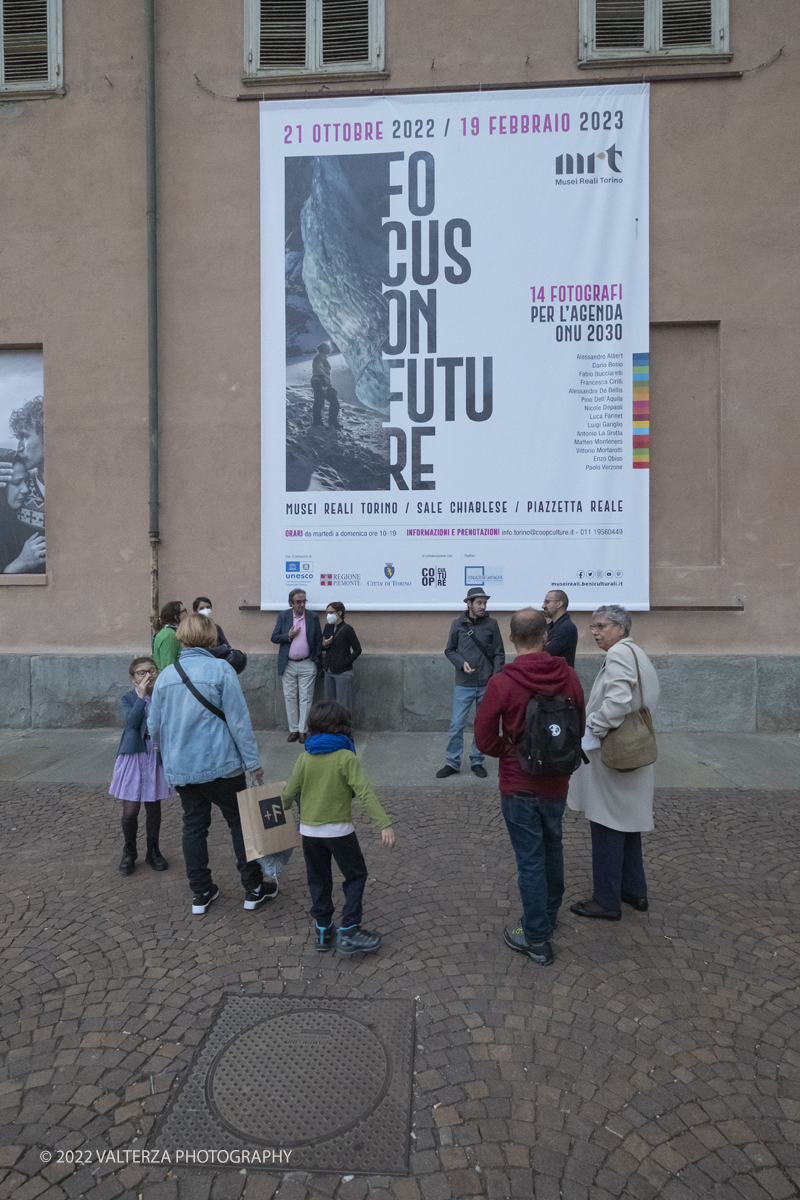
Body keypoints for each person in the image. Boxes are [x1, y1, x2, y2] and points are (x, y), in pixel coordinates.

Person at [475, 607, 585, 967]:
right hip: (558, 781)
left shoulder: (503, 682)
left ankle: (535, 936)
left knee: (530, 859)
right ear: (544, 637)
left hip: (519, 783)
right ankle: (549, 914)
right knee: (553, 847)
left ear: (511, 638)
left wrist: (509, 751)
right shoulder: (569, 677)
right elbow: (578, 724)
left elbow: (484, 738)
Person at [148, 612, 273, 915]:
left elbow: (155, 726)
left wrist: (168, 753)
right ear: (211, 636)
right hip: (222, 764)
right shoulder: (221, 669)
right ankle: (253, 888)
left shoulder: (166, 675)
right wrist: (253, 762)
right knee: (239, 824)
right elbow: (239, 721)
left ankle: (201, 892)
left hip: (184, 768)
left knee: (194, 826)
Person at [567, 604, 660, 921]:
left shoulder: (620, 654)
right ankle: (635, 891)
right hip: (633, 752)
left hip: (614, 757)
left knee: (607, 824)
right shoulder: (636, 653)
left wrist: (594, 728)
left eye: (601, 626)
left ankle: (606, 900)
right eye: (592, 627)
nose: (594, 632)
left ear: (621, 628)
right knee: (627, 824)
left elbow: (617, 702)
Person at [281, 700, 395, 955]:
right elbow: (364, 792)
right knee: (355, 875)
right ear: (342, 728)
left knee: (318, 880)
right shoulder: (346, 757)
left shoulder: (304, 757)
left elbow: (289, 794)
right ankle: (349, 929)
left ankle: (323, 930)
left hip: (309, 833)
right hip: (339, 832)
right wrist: (384, 823)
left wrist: (281, 806)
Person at [109, 657, 175, 875]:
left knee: (153, 806)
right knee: (130, 810)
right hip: (134, 756)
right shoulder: (128, 698)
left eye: (151, 671)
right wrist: (140, 696)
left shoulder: (162, 696)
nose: (148, 676)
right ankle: (129, 849)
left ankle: (153, 849)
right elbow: (132, 722)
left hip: (154, 756)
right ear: (132, 678)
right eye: (141, 673)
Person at [436, 586, 505, 779]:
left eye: (484, 603)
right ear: (469, 604)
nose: (483, 606)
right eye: (479, 603)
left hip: (486, 684)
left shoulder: (492, 624)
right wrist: (461, 663)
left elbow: (499, 653)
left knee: (482, 724)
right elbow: (449, 650)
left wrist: (495, 676)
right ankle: (452, 762)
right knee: (457, 724)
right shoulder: (457, 624)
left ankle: (477, 760)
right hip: (464, 684)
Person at [271, 588, 323, 744]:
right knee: (290, 697)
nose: (302, 604)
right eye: (298, 601)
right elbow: (274, 637)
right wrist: (288, 636)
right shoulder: (284, 616)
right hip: (288, 664)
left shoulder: (313, 617)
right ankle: (293, 729)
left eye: (304, 601)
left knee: (306, 698)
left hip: (307, 663)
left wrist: (316, 657)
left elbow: (318, 639)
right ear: (291, 603)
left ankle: (303, 731)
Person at [0, 452, 45, 574]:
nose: (25, 489)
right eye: (16, 483)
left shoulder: (14, 517)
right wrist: (22, 563)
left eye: (26, 481)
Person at [322, 601, 361, 714]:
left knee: (343, 703)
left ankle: (344, 729)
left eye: (331, 612)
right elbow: (323, 647)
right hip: (328, 669)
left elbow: (357, 649)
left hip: (342, 672)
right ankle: (330, 728)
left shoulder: (347, 629)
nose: (328, 615)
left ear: (339, 613)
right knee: (328, 703)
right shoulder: (327, 627)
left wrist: (345, 662)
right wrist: (324, 644)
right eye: (327, 612)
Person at [541, 589, 578, 667]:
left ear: (559, 604)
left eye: (547, 602)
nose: (543, 606)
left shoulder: (566, 628)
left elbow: (545, 654)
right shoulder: (550, 626)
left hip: (560, 677)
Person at [311, 343, 340, 429]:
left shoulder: (322, 357)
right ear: (323, 349)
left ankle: (325, 422)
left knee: (324, 401)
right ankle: (321, 422)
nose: (329, 349)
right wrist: (321, 377)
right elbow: (318, 367)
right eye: (327, 347)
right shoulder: (319, 357)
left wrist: (328, 385)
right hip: (319, 381)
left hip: (322, 382)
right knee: (321, 402)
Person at [152, 601, 186, 670]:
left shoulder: (168, 631)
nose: (187, 613)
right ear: (176, 617)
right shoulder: (170, 635)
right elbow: (168, 665)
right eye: (184, 610)